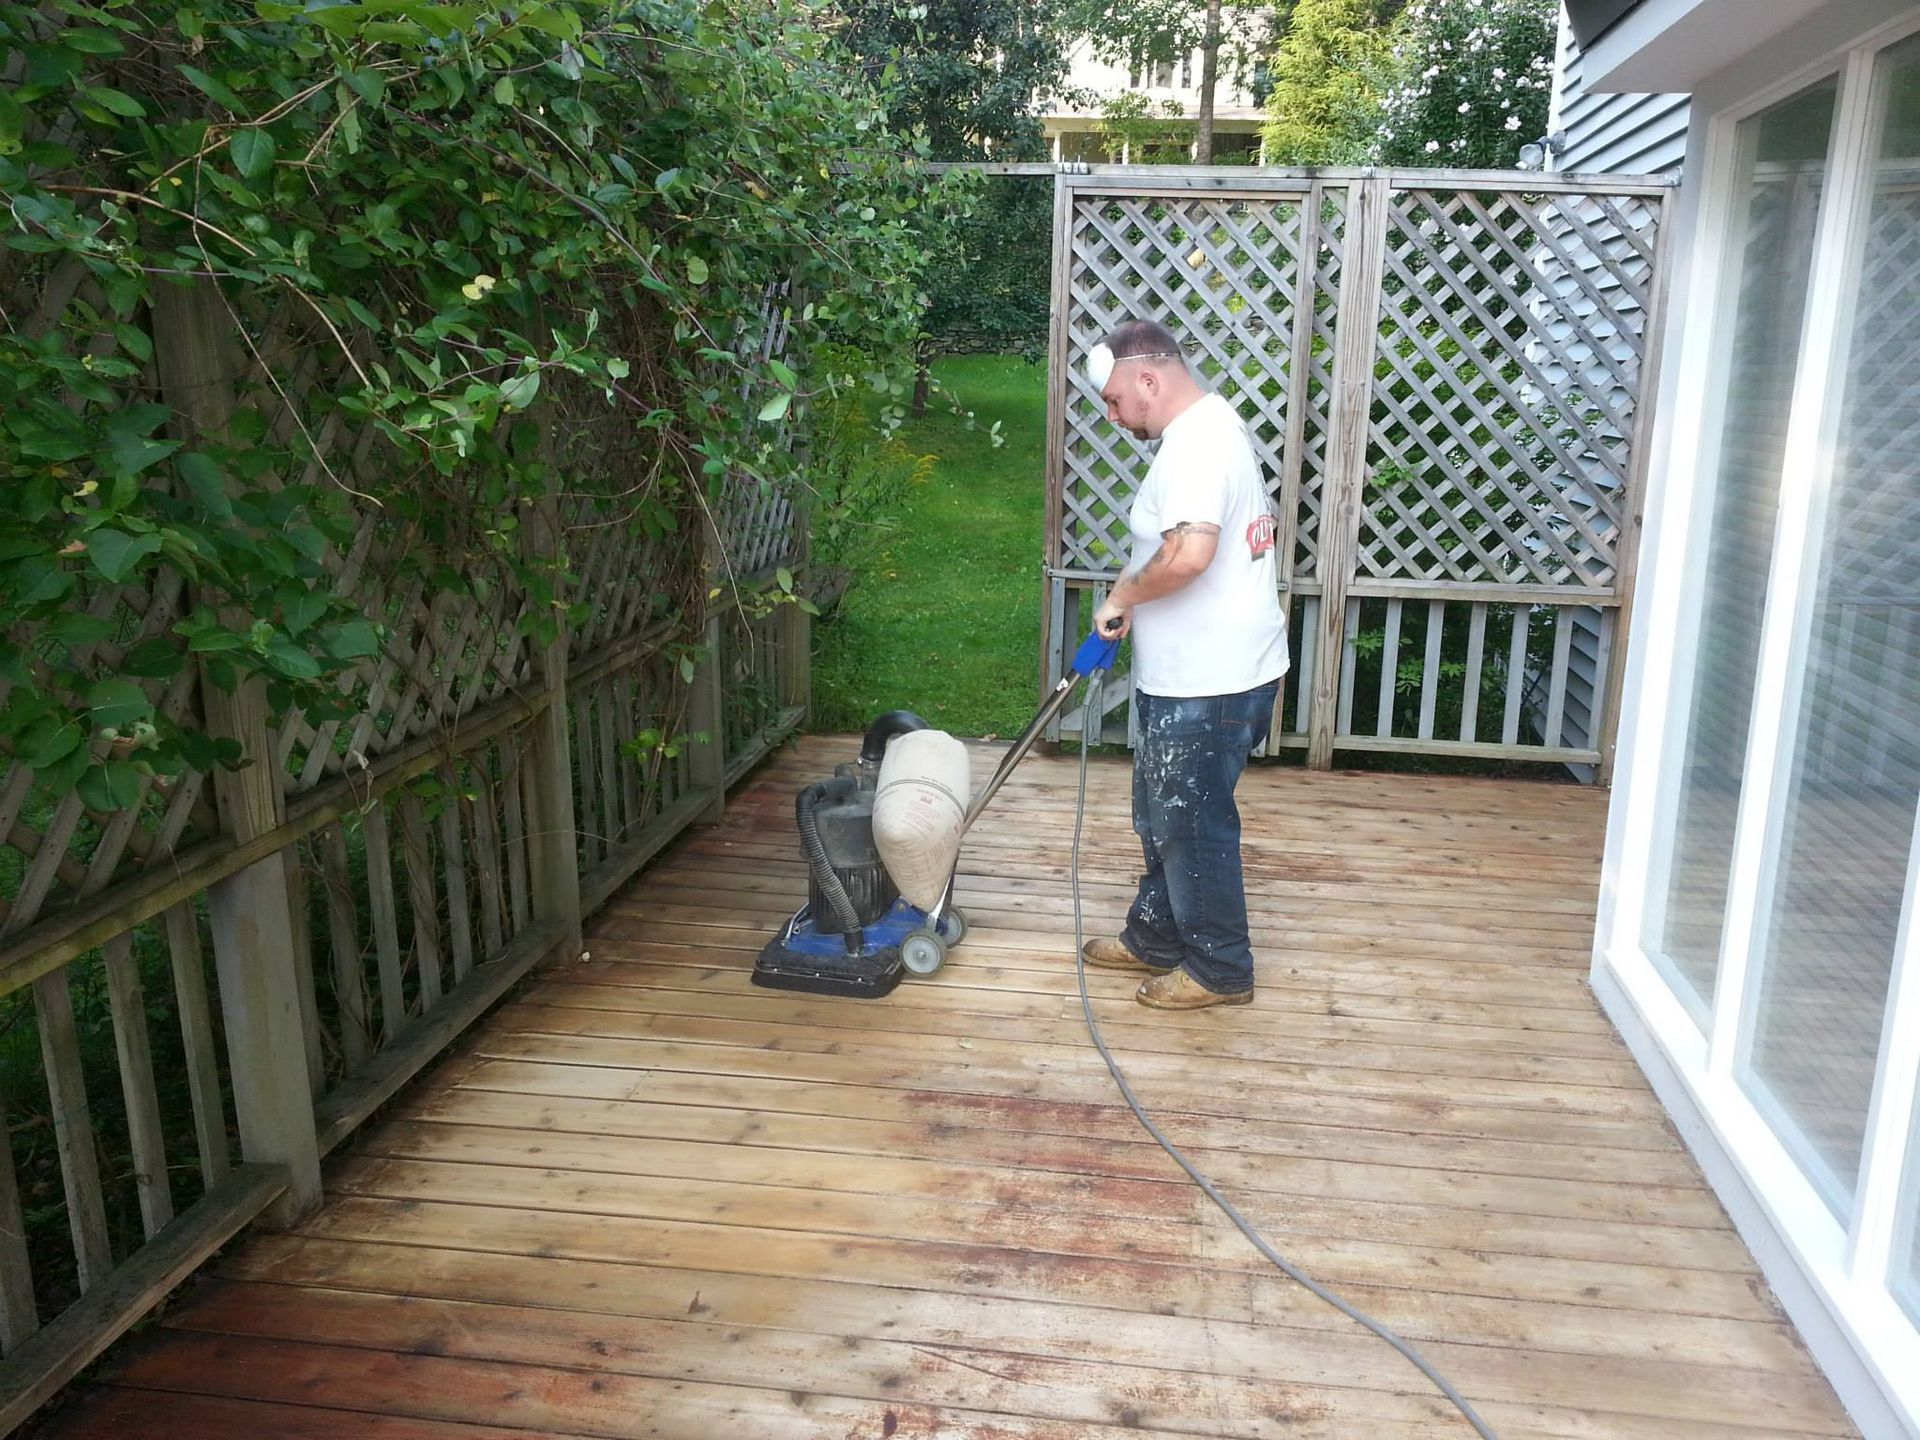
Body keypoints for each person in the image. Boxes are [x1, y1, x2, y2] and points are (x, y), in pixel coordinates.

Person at [1084, 319, 1288, 1011]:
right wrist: (1135, 599)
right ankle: (1157, 935)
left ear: (1149, 378)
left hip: (1213, 679)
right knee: (1162, 812)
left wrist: (1121, 595)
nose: (1112, 416)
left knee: (1191, 822)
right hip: (1198, 670)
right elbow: (1169, 544)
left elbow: (1190, 554)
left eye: (1115, 400)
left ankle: (1219, 970)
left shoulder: (1198, 446)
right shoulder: (1204, 431)